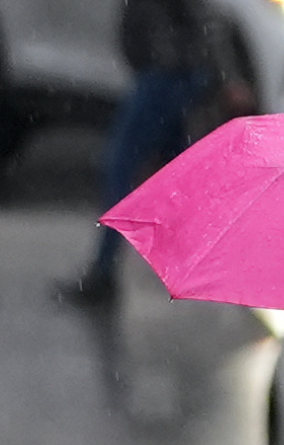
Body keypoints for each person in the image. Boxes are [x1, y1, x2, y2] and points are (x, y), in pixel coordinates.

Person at [55, 0, 230, 308]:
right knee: (184, 172)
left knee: (122, 167)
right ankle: (227, 259)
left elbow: (201, 18)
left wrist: (217, 73)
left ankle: (105, 270)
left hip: (167, 73)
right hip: (173, 70)